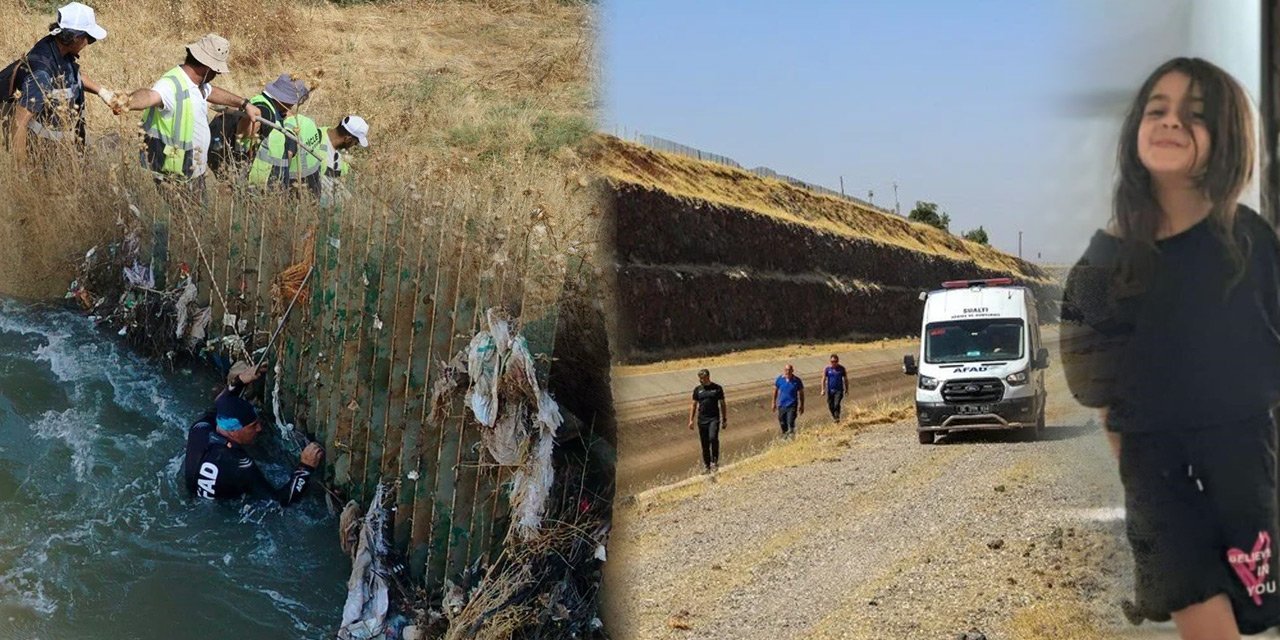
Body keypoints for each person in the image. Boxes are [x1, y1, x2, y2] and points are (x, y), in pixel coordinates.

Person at [1060, 58, 1280, 638]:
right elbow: (1092, 385)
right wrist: (1135, 469)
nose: (1172, 122)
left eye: (1196, 115)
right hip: (1154, 468)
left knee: (1251, 607)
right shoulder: (1103, 261)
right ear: (1136, 128)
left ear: (1228, 136)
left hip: (1245, 460)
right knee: (1201, 609)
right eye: (1158, 109)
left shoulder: (1251, 241)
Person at [122, 34, 262, 183]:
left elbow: (212, 91)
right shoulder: (171, 84)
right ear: (207, 67)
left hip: (190, 170)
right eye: (216, 70)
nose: (217, 74)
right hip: (174, 174)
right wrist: (127, 102)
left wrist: (244, 103)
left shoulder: (196, 84)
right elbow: (151, 96)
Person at [5, 3, 119, 163]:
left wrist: (103, 92)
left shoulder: (57, 47)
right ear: (76, 38)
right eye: (90, 38)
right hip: (39, 154)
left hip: (57, 147)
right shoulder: (41, 75)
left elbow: (69, 74)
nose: (89, 43)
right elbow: (19, 124)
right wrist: (22, 174)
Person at [182, 388, 323, 505]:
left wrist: (240, 381)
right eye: (253, 426)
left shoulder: (199, 429)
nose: (259, 428)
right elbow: (279, 501)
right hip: (224, 512)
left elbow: (220, 404)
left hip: (194, 499)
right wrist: (305, 467)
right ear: (233, 431)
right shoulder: (241, 464)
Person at [208, 73, 308, 174]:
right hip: (244, 172)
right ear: (286, 100)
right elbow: (242, 135)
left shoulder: (269, 104)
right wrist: (248, 120)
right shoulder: (265, 111)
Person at [317, 114, 368, 207]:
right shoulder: (316, 137)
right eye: (355, 143)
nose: (354, 146)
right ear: (348, 139)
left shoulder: (343, 152)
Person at [687, 368, 726, 475]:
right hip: (702, 420)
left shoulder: (717, 388)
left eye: (702, 378)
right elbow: (694, 405)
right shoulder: (697, 389)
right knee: (704, 444)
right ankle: (707, 466)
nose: (701, 380)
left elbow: (722, 404)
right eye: (699, 378)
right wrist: (691, 420)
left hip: (714, 418)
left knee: (713, 438)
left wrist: (724, 419)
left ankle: (715, 462)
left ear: (707, 377)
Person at [772, 364, 804, 438]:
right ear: (784, 370)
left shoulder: (797, 380)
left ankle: (791, 437)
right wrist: (773, 402)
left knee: (790, 421)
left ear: (792, 371)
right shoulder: (780, 379)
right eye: (786, 370)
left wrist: (802, 405)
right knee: (782, 422)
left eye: (789, 370)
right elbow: (775, 391)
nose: (788, 371)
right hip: (782, 405)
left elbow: (801, 393)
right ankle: (785, 435)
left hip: (792, 405)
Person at [820, 354, 849, 422]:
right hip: (830, 391)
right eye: (832, 361)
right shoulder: (827, 369)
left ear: (837, 361)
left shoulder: (842, 369)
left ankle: (837, 417)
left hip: (839, 390)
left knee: (836, 404)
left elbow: (845, 379)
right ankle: (834, 417)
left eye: (835, 361)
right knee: (830, 405)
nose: (833, 363)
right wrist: (823, 389)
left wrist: (847, 389)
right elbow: (823, 379)